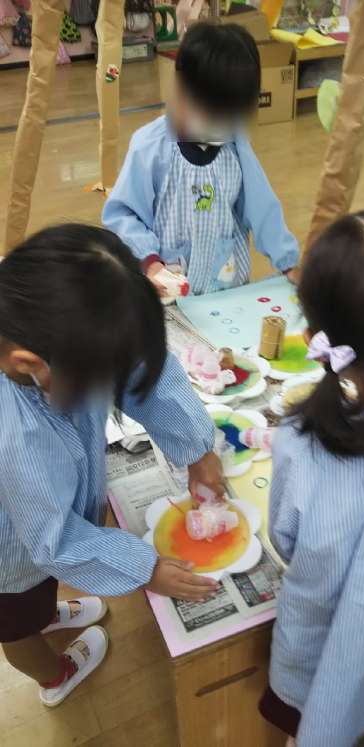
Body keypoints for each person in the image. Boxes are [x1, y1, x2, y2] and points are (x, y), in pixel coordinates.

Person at [0, 224, 224, 708]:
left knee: (39, 588)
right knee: (15, 620)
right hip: (9, 551)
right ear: (30, 364)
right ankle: (53, 675)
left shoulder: (48, 325)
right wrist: (143, 568)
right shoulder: (14, 432)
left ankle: (46, 610)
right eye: (101, 380)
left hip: (39, 525)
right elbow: (52, 538)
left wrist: (197, 448)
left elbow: (142, 369)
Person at [260, 210, 364, 747]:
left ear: (315, 339)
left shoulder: (303, 442)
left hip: (326, 643)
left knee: (320, 722)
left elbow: (284, 539)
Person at [102, 21, 298, 296]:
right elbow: (122, 214)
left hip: (225, 290)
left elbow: (262, 207)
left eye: (231, 117)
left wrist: (288, 262)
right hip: (168, 295)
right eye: (212, 114)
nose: (221, 127)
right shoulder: (150, 147)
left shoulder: (236, 145)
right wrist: (149, 260)